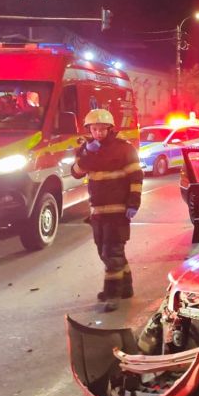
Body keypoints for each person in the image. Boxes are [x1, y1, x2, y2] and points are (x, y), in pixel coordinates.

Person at [71, 108, 143, 312]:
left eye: (103, 129)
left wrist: (133, 203)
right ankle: (126, 287)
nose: (99, 133)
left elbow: (136, 177)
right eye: (95, 129)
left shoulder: (124, 148)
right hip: (97, 212)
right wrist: (86, 153)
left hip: (118, 210)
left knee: (112, 252)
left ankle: (112, 294)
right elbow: (76, 173)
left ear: (110, 129)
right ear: (89, 129)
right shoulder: (87, 149)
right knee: (106, 252)